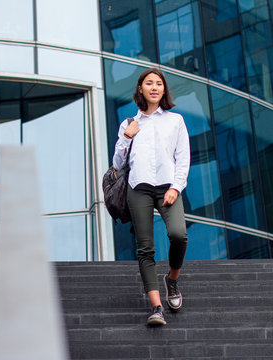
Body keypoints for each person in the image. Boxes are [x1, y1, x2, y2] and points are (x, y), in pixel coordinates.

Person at [112, 68, 190, 326]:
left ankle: (173, 280)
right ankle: (157, 307)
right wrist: (126, 137)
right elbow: (117, 164)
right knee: (145, 249)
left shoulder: (175, 120)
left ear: (164, 90)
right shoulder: (129, 124)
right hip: (138, 188)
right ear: (141, 89)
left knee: (178, 234)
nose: (155, 87)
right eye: (149, 83)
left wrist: (176, 187)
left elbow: (183, 158)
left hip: (168, 186)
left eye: (159, 84)